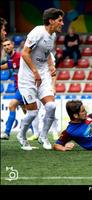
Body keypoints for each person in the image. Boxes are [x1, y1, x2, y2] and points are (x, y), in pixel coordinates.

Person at [16, 8, 64, 151]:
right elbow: (24, 53)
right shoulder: (37, 32)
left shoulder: (53, 35)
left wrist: (50, 65)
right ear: (51, 21)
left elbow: (47, 52)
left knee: (51, 106)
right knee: (32, 113)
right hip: (27, 77)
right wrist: (35, 71)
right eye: (60, 20)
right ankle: (21, 135)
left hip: (43, 74)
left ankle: (43, 136)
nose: (62, 23)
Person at [0, 38, 40, 140]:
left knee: (11, 105)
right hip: (18, 87)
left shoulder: (19, 56)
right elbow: (8, 65)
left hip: (24, 87)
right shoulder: (11, 58)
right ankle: (36, 133)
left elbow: (13, 65)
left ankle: (6, 132)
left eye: (8, 44)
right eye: (4, 46)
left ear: (13, 45)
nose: (6, 47)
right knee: (27, 112)